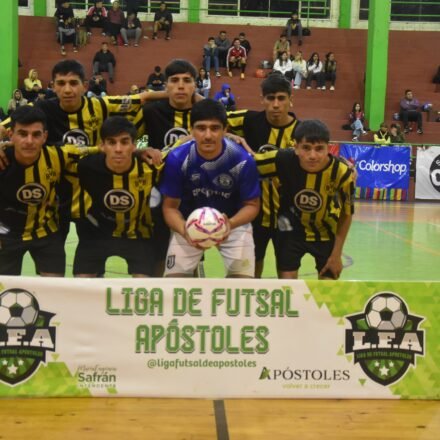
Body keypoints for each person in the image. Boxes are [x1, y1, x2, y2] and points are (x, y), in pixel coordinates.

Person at [160, 99, 261, 278]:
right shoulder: (177, 158)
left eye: (214, 128)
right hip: (188, 223)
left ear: (225, 130)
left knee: (243, 286)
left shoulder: (242, 160)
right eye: (201, 128)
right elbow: (170, 207)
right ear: (191, 130)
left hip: (233, 223)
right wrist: (185, 229)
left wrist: (229, 224)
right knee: (174, 285)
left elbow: (252, 205)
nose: (208, 135)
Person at [255, 119, 355, 280]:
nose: (312, 155)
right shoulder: (282, 160)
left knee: (328, 289)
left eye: (319, 149)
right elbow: (246, 164)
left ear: (329, 148)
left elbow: (347, 214)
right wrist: (231, 139)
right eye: (306, 148)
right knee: (288, 290)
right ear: (295, 148)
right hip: (289, 232)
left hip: (325, 233)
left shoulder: (342, 173)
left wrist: (336, 255)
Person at [0, 106, 94, 276]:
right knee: (4, 291)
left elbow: (105, 150)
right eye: (22, 134)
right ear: (11, 135)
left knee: (54, 289)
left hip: (46, 233)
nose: (29, 141)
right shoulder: (2, 157)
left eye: (36, 134)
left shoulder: (59, 155)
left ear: (45, 136)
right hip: (5, 235)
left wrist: (141, 151)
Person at [226, 73, 299, 278]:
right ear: (262, 99)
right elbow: (210, 117)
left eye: (281, 98)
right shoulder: (248, 119)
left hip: (288, 214)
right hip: (253, 212)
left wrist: (344, 162)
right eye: (270, 98)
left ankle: (287, 310)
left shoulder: (300, 131)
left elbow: (321, 155)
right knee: (251, 272)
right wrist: (229, 134)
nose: (275, 104)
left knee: (286, 274)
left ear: (290, 99)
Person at [73, 117, 163, 278]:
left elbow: (184, 142)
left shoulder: (152, 167)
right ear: (102, 145)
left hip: (138, 234)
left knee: (144, 290)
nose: (119, 149)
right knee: (82, 285)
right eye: (112, 142)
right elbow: (55, 150)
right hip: (96, 234)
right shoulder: (86, 166)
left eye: (125, 142)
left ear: (134, 145)